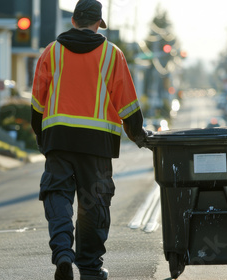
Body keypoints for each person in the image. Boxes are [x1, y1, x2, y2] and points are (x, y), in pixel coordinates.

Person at [30, 0, 148, 279]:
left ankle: (62, 254)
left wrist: (41, 136)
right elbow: (127, 104)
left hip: (58, 138)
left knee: (57, 195)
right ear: (98, 23)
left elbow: (37, 102)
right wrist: (139, 135)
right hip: (97, 143)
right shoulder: (112, 54)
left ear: (73, 20)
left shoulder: (51, 52)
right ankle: (90, 266)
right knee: (93, 203)